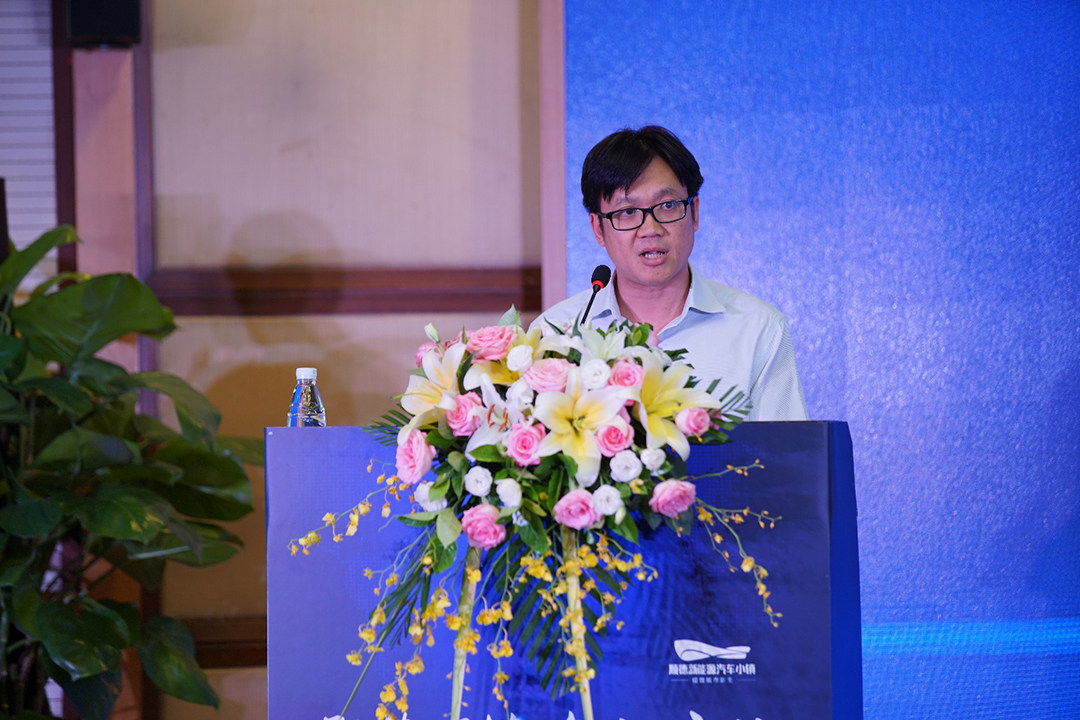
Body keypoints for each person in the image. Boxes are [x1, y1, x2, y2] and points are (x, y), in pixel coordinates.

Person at [535, 125, 808, 421]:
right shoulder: (554, 335)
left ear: (694, 213)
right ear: (598, 229)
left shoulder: (758, 330)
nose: (650, 229)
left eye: (667, 206)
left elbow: (788, 449)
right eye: (627, 212)